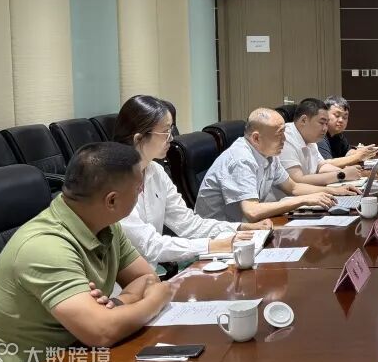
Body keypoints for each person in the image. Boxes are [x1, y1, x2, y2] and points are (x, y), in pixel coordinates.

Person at [0, 143, 177, 362]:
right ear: (111, 201)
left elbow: (146, 278)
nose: (141, 193)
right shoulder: (45, 247)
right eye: (138, 189)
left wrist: (117, 305)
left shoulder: (106, 225)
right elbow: (102, 332)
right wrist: (155, 301)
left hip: (74, 356)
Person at [113, 95, 272, 265]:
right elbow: (150, 246)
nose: (171, 138)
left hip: (149, 274)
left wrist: (239, 228)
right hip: (124, 280)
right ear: (139, 138)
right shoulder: (115, 182)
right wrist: (213, 245)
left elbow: (188, 223)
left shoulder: (156, 171)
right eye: (165, 132)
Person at [195, 108, 359, 223]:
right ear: (256, 138)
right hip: (221, 238)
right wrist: (304, 200)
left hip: (247, 229)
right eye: (279, 134)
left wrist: (335, 191)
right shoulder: (241, 159)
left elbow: (293, 187)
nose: (284, 140)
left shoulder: (268, 154)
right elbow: (252, 211)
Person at [280, 98, 366, 188]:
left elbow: (321, 166)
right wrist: (342, 174)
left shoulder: (310, 138)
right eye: (322, 123)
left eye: (326, 123)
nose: (325, 128)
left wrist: (346, 172)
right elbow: (297, 180)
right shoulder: (285, 137)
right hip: (289, 196)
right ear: (304, 120)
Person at [317, 96, 378, 166]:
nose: (341, 120)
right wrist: (358, 156)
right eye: (337, 115)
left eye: (345, 117)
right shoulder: (319, 134)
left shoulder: (338, 134)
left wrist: (364, 152)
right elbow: (326, 164)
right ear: (325, 114)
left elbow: (347, 152)